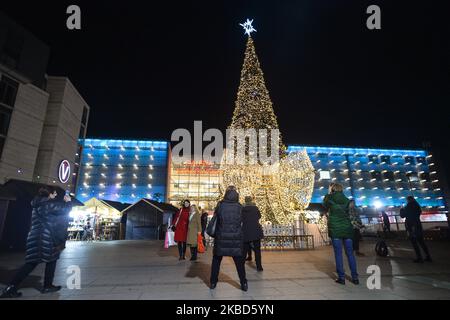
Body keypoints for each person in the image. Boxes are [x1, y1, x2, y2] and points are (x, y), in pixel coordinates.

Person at [1, 187, 72, 298]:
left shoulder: (38, 204)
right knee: (32, 263)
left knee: (51, 260)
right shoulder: (47, 204)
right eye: (54, 194)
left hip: (38, 236)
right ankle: (11, 287)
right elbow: (64, 209)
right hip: (44, 237)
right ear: (50, 194)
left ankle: (47, 285)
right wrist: (67, 202)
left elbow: (55, 211)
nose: (55, 196)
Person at [210, 186, 247, 291]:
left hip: (221, 237)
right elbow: (241, 222)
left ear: (226, 194)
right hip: (235, 237)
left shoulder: (220, 205)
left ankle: (213, 282)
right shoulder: (239, 207)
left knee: (216, 260)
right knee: (239, 262)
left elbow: (216, 220)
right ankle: (243, 282)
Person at [323, 183, 359, 285]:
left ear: (332, 189)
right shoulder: (347, 200)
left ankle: (341, 278)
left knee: (338, 254)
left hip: (335, 230)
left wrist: (328, 193)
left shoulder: (329, 198)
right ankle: (355, 278)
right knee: (350, 254)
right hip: (347, 229)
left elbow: (324, 205)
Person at [400, 196, 432, 263]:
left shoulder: (409, 206)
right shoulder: (417, 205)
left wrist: (402, 208)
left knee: (414, 243)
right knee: (421, 242)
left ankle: (419, 258)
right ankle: (428, 256)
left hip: (411, 227)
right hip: (417, 225)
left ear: (408, 200)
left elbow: (402, 215)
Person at [242, 196, 264, 271]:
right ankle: (259, 266)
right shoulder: (255, 208)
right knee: (257, 250)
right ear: (251, 200)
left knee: (244, 250)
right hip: (256, 231)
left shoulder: (242, 209)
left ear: (245, 201)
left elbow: (240, 219)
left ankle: (241, 266)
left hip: (246, 231)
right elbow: (259, 216)